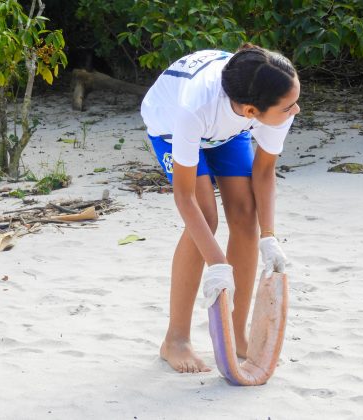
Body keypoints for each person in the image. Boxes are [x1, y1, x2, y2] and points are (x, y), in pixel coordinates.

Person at [140, 44, 301, 373]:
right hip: (172, 127)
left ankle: (237, 334)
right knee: (206, 217)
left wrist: (269, 237)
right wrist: (217, 264)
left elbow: (265, 171)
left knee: (246, 216)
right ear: (253, 111)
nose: (296, 110)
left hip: (227, 132)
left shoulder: (276, 95)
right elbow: (184, 198)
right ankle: (176, 339)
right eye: (288, 107)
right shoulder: (193, 108)